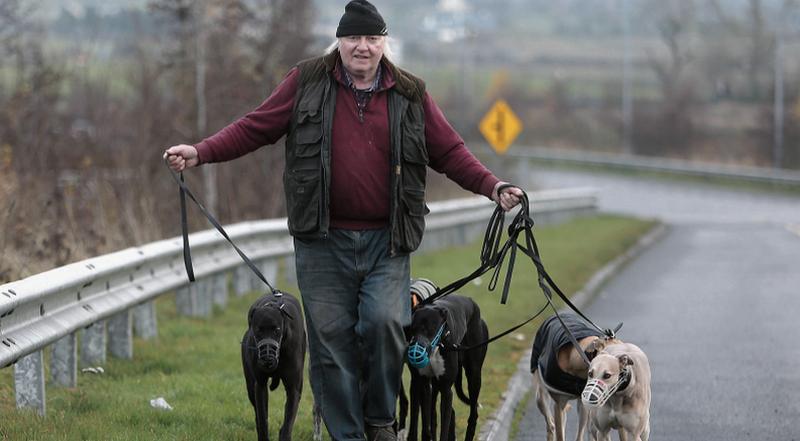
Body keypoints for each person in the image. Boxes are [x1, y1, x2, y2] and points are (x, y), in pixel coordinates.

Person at [165, 1, 523, 439]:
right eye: (354, 38)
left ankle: (379, 422)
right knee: (331, 343)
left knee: (384, 325)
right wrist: (201, 152)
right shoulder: (307, 81)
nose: (363, 47)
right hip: (322, 241)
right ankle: (349, 435)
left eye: (372, 39)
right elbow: (256, 127)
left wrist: (492, 186)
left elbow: (448, 151)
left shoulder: (410, 93)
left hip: (387, 242)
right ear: (340, 41)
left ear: (383, 43)